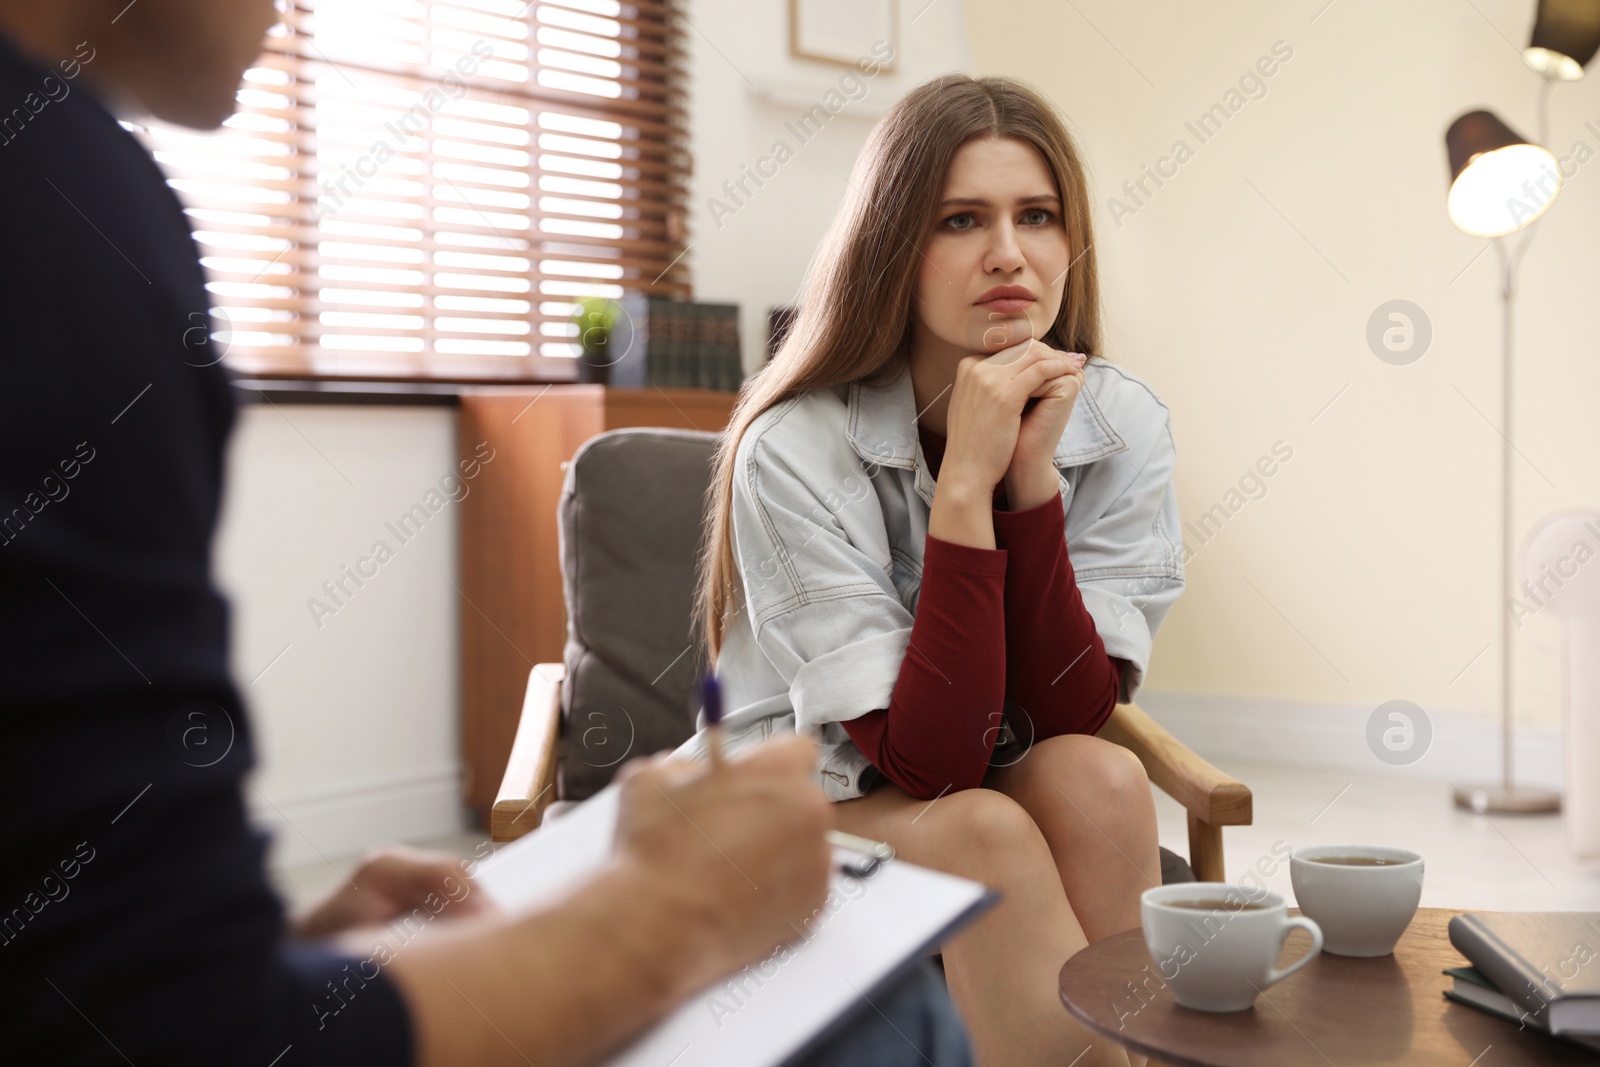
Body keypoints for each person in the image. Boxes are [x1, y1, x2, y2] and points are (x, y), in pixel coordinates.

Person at [0, 1, 973, 1064]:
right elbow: (166, 1037)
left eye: (1040, 216)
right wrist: (672, 913)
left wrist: (271, 939)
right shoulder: (54, 199)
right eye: (962, 220)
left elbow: (79, 968)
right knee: (891, 1021)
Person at [676, 74, 1186, 1067]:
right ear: (893, 248)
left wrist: (1029, 483)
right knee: (982, 829)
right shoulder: (793, 446)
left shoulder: (1122, 420)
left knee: (1100, 776)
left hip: (972, 767)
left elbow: (1065, 712)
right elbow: (929, 766)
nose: (1008, 252)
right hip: (791, 799)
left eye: (1035, 215)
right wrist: (964, 493)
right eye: (961, 219)